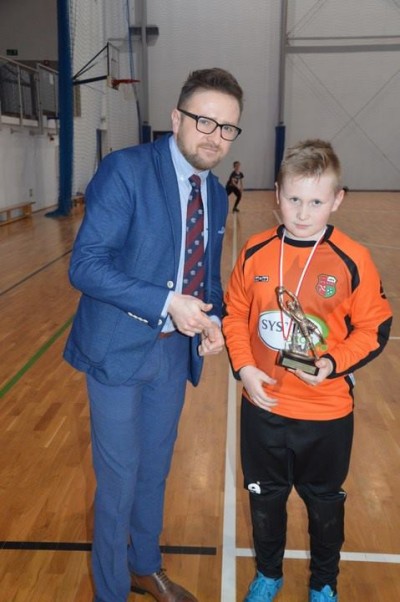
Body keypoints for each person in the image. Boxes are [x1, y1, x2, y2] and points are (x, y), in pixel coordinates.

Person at [64, 67, 243, 602]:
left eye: (227, 128)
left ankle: (144, 565)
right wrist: (167, 303)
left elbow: (206, 277)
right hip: (117, 352)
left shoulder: (214, 193)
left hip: (172, 355)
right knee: (118, 481)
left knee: (154, 471)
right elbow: (86, 265)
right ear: (176, 118)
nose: (214, 136)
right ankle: (111, 592)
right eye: (204, 120)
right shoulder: (126, 170)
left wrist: (213, 321)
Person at [223, 139, 392, 602]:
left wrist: (334, 363)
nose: (302, 212)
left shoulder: (352, 258)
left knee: (324, 504)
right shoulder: (255, 251)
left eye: (316, 202)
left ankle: (323, 582)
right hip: (263, 406)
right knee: (264, 497)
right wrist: (244, 368)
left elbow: (375, 327)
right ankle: (268, 573)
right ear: (277, 194)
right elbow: (235, 314)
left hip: (326, 412)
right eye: (294, 199)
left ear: (337, 199)